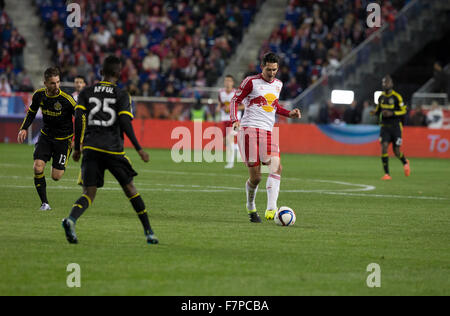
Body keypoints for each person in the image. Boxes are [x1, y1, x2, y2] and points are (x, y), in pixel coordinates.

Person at [61, 56, 158, 245]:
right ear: (118, 74)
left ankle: (71, 220)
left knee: (88, 193)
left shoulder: (86, 92)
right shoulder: (122, 94)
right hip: (112, 149)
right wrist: (139, 149)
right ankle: (149, 232)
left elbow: (79, 118)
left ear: (101, 72)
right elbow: (124, 122)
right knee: (130, 189)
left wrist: (78, 148)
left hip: (90, 148)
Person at [230, 52, 302, 223]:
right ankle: (250, 206)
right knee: (256, 178)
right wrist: (235, 120)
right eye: (269, 69)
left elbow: (274, 104)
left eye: (275, 70)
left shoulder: (278, 84)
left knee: (277, 167)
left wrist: (288, 113)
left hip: (268, 132)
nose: (272, 73)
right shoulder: (251, 82)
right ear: (262, 67)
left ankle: (272, 208)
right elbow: (234, 100)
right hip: (249, 130)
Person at [17, 67, 76, 210]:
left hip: (63, 139)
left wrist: (78, 139)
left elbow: (80, 118)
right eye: (52, 83)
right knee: (37, 167)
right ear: (45, 83)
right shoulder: (39, 95)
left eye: (58, 82)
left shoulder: (67, 99)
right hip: (46, 136)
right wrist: (24, 128)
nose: (56, 86)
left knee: (56, 176)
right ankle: (45, 203)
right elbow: (31, 112)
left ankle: (62, 156)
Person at [371, 75, 410, 180]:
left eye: (387, 82)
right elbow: (378, 109)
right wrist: (374, 112)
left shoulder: (397, 97)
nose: (385, 84)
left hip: (396, 127)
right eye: (384, 82)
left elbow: (404, 111)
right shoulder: (381, 97)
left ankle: (405, 162)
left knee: (396, 151)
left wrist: (392, 113)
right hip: (384, 127)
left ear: (391, 84)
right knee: (384, 147)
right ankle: (387, 174)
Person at [216, 75, 242, 169]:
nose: (227, 82)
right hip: (224, 119)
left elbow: (243, 106)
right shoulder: (221, 92)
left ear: (232, 83)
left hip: (235, 120)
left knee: (229, 138)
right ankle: (238, 148)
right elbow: (220, 103)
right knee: (225, 142)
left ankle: (230, 163)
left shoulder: (237, 93)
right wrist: (218, 107)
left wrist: (232, 108)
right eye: (226, 81)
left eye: (229, 81)